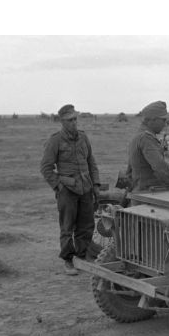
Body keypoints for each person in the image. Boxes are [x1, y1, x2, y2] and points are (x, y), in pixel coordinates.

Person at [40, 104, 100, 275]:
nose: (74, 122)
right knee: (67, 226)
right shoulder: (55, 140)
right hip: (67, 190)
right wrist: (59, 186)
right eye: (70, 120)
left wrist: (95, 185)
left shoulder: (83, 138)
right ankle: (68, 260)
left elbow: (91, 162)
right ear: (62, 122)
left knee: (86, 225)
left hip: (85, 188)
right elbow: (46, 168)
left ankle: (82, 257)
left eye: (75, 119)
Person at [126, 101, 169, 192]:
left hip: (141, 191)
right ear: (153, 119)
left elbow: (129, 171)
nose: (165, 123)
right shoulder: (146, 139)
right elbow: (161, 168)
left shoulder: (138, 136)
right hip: (148, 194)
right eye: (163, 120)